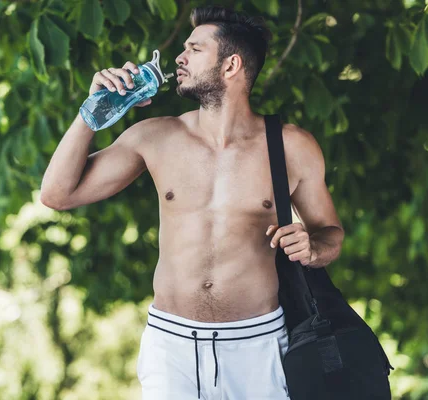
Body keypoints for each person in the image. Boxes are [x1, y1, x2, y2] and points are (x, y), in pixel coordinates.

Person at [40, 5, 344, 400]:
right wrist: (92, 111)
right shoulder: (155, 136)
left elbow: (331, 235)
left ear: (231, 64)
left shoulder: (291, 146)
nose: (179, 57)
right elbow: (56, 194)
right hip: (172, 348)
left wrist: (313, 246)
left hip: (258, 348)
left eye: (195, 49)